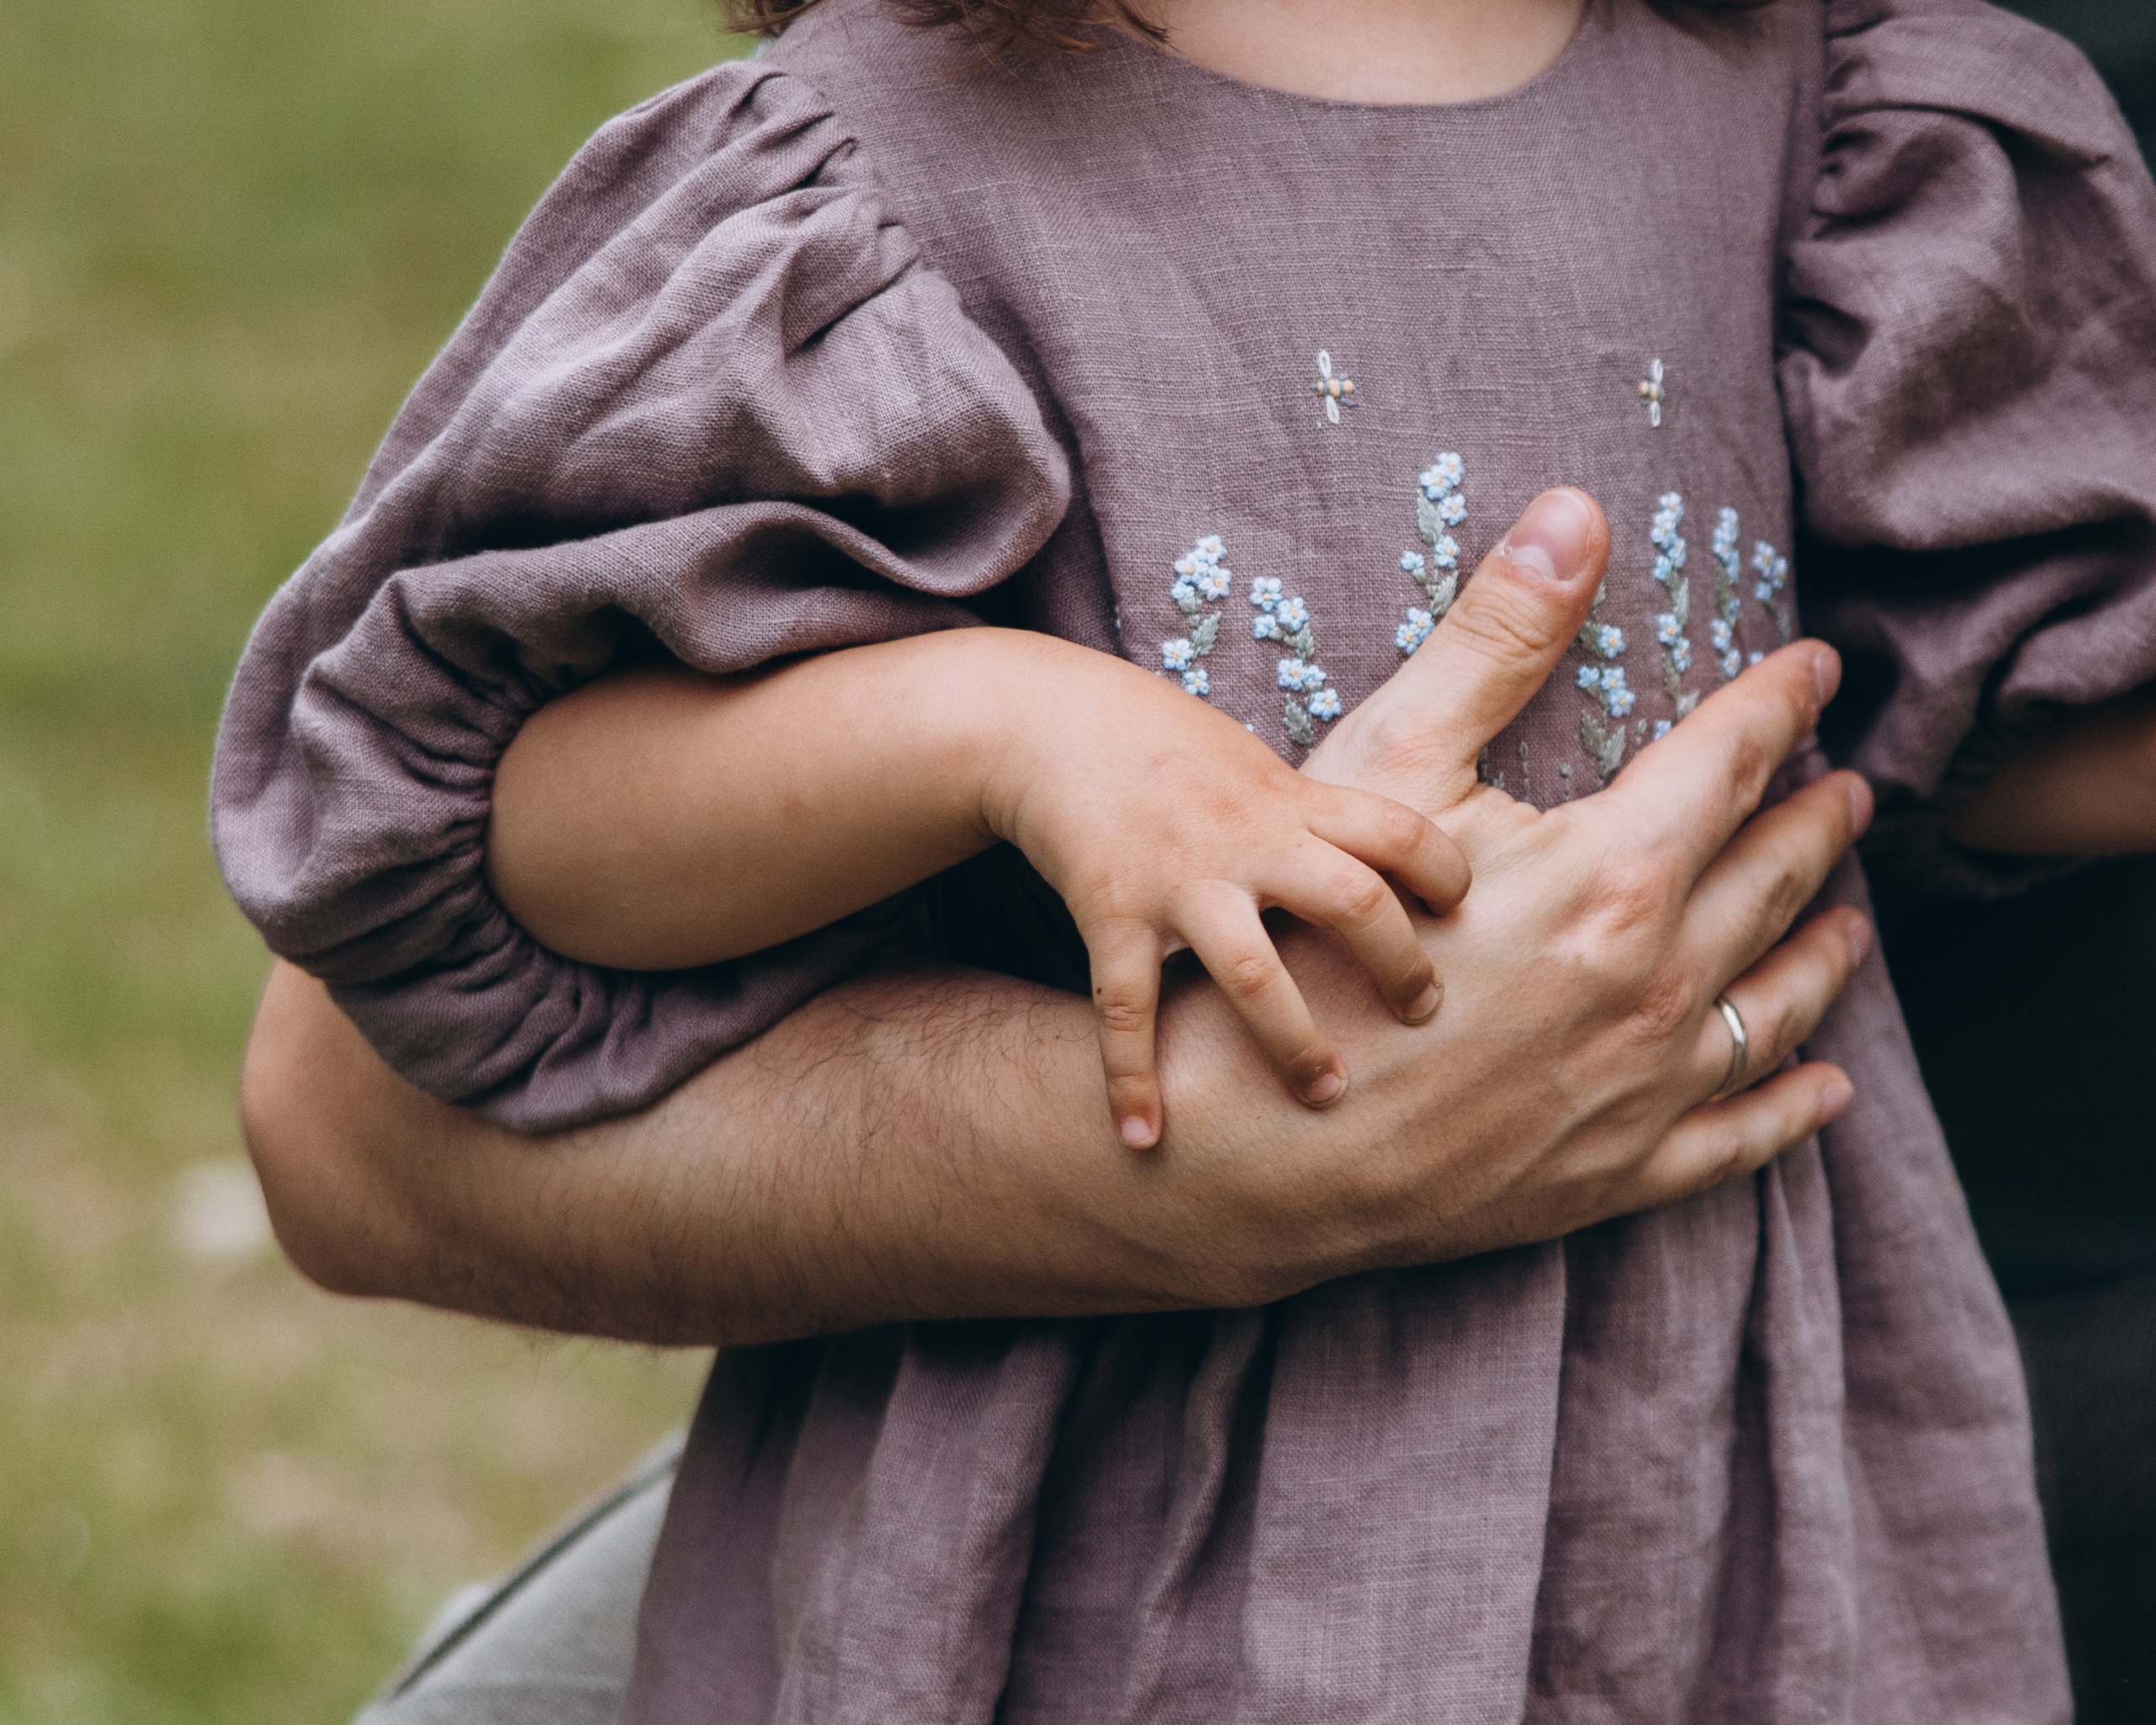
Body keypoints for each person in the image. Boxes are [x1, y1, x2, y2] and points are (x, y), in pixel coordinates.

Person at [214, 0, 2156, 1716]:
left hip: (1710, 1506)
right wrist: (1000, 729)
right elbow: (504, 851)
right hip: (1112, 1540)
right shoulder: (869, 181)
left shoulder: (1798, 107)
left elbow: (1977, 698)